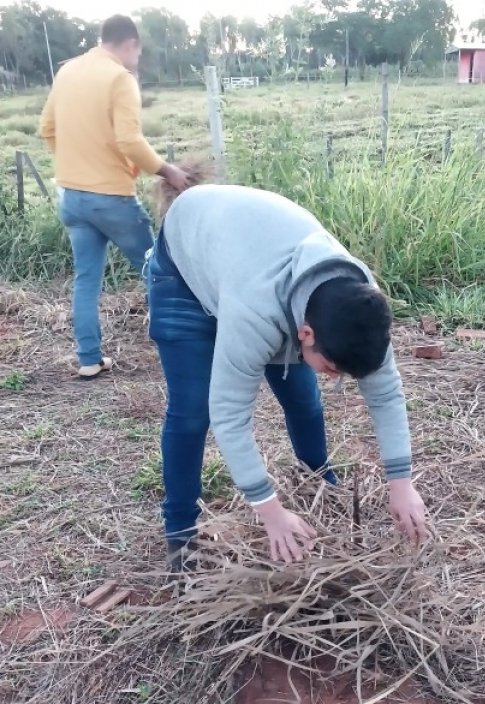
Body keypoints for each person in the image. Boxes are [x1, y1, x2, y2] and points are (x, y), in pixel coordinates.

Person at [146, 184, 427, 568]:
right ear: (305, 334)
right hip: (187, 260)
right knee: (193, 410)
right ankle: (180, 533)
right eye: (332, 368)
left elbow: (386, 394)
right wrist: (270, 513)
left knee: (302, 397)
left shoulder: (357, 303)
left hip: (248, 259)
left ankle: (320, 486)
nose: (334, 378)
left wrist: (402, 483)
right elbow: (230, 414)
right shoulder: (256, 313)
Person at [39, 15, 189, 380]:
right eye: (138, 52)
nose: (136, 59)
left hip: (72, 198)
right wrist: (168, 171)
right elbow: (129, 141)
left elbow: (46, 127)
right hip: (111, 199)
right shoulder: (120, 78)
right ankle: (181, 343)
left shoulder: (68, 71)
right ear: (130, 44)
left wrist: (75, 165)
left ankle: (89, 359)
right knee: (159, 270)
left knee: (86, 279)